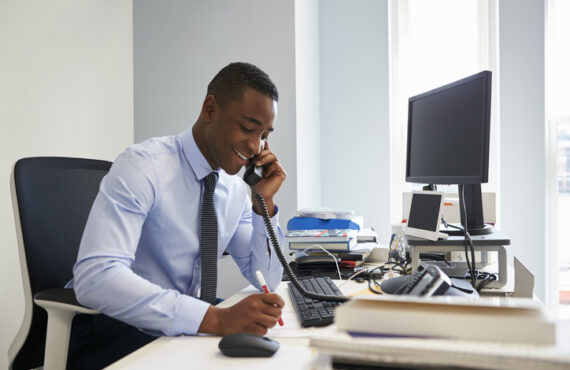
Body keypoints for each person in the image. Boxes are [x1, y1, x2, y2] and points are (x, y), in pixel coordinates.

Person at [66, 62, 287, 369]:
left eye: (264, 135)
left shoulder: (234, 190)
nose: (255, 146)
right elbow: (96, 277)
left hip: (172, 327)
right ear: (210, 109)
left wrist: (265, 204)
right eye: (248, 128)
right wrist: (215, 319)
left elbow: (268, 278)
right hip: (111, 328)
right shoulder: (144, 167)